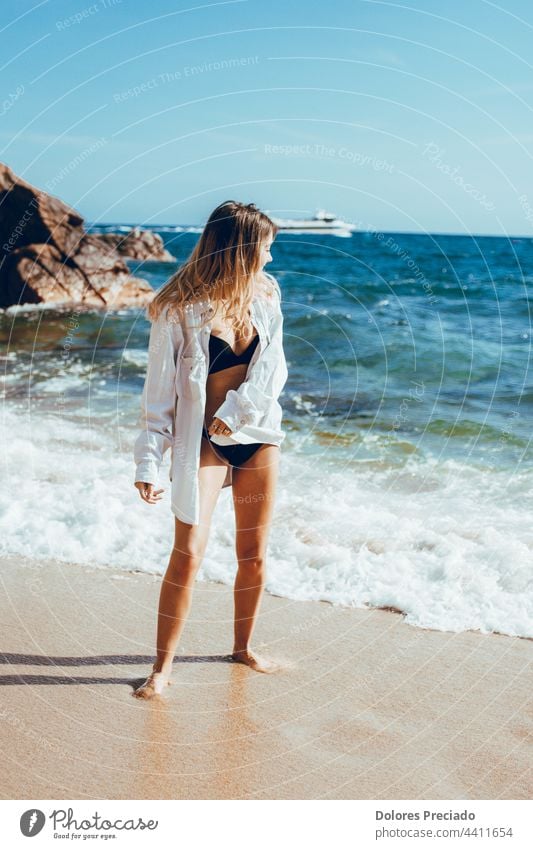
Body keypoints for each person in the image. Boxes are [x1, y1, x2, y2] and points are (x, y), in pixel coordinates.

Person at [132, 200, 289, 699]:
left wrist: (238, 412)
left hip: (256, 435)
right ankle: (161, 669)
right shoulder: (178, 307)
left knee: (255, 554)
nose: (269, 258)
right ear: (240, 249)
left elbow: (274, 369)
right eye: (264, 249)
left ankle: (242, 647)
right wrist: (148, 461)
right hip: (201, 441)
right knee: (188, 553)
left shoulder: (267, 295)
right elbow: (158, 394)